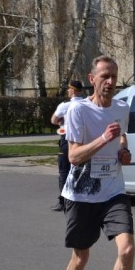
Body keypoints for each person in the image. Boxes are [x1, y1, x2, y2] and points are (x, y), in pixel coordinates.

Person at [59, 56, 135, 270]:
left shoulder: (121, 108)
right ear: (92, 79)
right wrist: (104, 139)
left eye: (114, 76)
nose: (110, 82)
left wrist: (123, 151)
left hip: (113, 191)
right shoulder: (78, 110)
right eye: (105, 76)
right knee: (80, 257)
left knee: (127, 249)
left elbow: (122, 137)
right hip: (82, 193)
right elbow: (74, 156)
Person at [51, 80, 86, 211]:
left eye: (69, 89)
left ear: (72, 90)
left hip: (67, 140)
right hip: (84, 140)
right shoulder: (87, 103)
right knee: (81, 170)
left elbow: (53, 120)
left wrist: (62, 120)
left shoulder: (65, 106)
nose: (67, 91)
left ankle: (64, 201)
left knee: (64, 171)